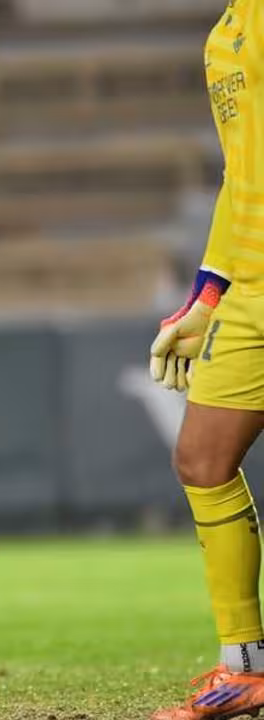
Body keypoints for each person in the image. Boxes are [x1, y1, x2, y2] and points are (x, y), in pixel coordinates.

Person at [148, 2, 264, 719]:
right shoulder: (226, 33)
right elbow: (239, 174)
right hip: (251, 286)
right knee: (202, 460)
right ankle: (245, 667)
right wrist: (208, 295)